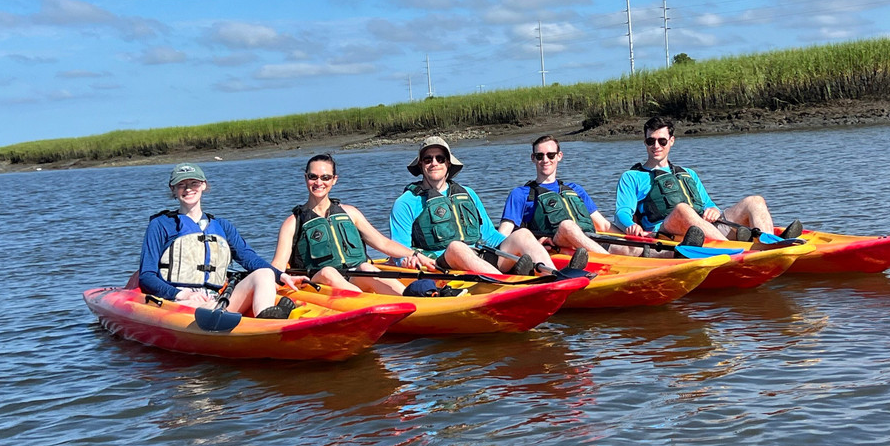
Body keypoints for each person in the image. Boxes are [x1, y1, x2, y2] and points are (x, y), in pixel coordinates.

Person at [138, 163, 303, 319]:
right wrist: (182, 294)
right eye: (182, 185)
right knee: (199, 306)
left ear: (203, 185)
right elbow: (146, 276)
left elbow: (249, 259)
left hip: (217, 300)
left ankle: (266, 318)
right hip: (179, 302)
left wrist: (280, 276)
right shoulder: (160, 225)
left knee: (264, 273)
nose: (188, 189)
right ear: (173, 189)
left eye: (194, 183)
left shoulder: (222, 226)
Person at [389, 136, 569, 275]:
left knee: (522, 234)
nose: (434, 163)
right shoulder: (405, 203)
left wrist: (525, 246)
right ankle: (505, 284)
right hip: (441, 265)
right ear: (421, 164)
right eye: (428, 159)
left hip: (481, 257)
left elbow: (489, 235)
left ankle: (555, 277)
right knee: (456, 247)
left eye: (440, 158)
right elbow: (399, 250)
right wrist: (406, 259)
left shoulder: (468, 193)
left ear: (448, 162)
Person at [614, 116, 803, 244]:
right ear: (645, 142)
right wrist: (630, 225)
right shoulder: (631, 177)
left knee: (755, 201)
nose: (656, 146)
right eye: (650, 141)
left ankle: (768, 243)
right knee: (682, 209)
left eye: (662, 141)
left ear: (671, 141)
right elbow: (622, 212)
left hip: (705, 230)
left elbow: (709, 205)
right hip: (666, 233)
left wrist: (713, 210)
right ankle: (734, 248)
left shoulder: (688, 173)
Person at [271, 153, 438, 295]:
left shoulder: (350, 213)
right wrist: (267, 281)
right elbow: (278, 265)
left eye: (325, 177)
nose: (319, 182)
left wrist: (416, 255)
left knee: (366, 267)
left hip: (352, 278)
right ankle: (366, 305)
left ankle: (408, 300)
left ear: (334, 180)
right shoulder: (293, 223)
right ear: (306, 178)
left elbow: (382, 243)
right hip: (318, 284)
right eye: (313, 177)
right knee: (329, 272)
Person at [498, 135, 654, 259]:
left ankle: (674, 258)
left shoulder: (575, 189)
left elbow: (604, 226)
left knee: (634, 248)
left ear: (559, 156)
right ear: (533, 158)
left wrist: (632, 237)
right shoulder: (520, 194)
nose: (545, 160)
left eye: (550, 155)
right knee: (568, 225)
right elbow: (505, 234)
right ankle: (612, 262)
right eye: (540, 156)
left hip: (591, 242)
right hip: (557, 248)